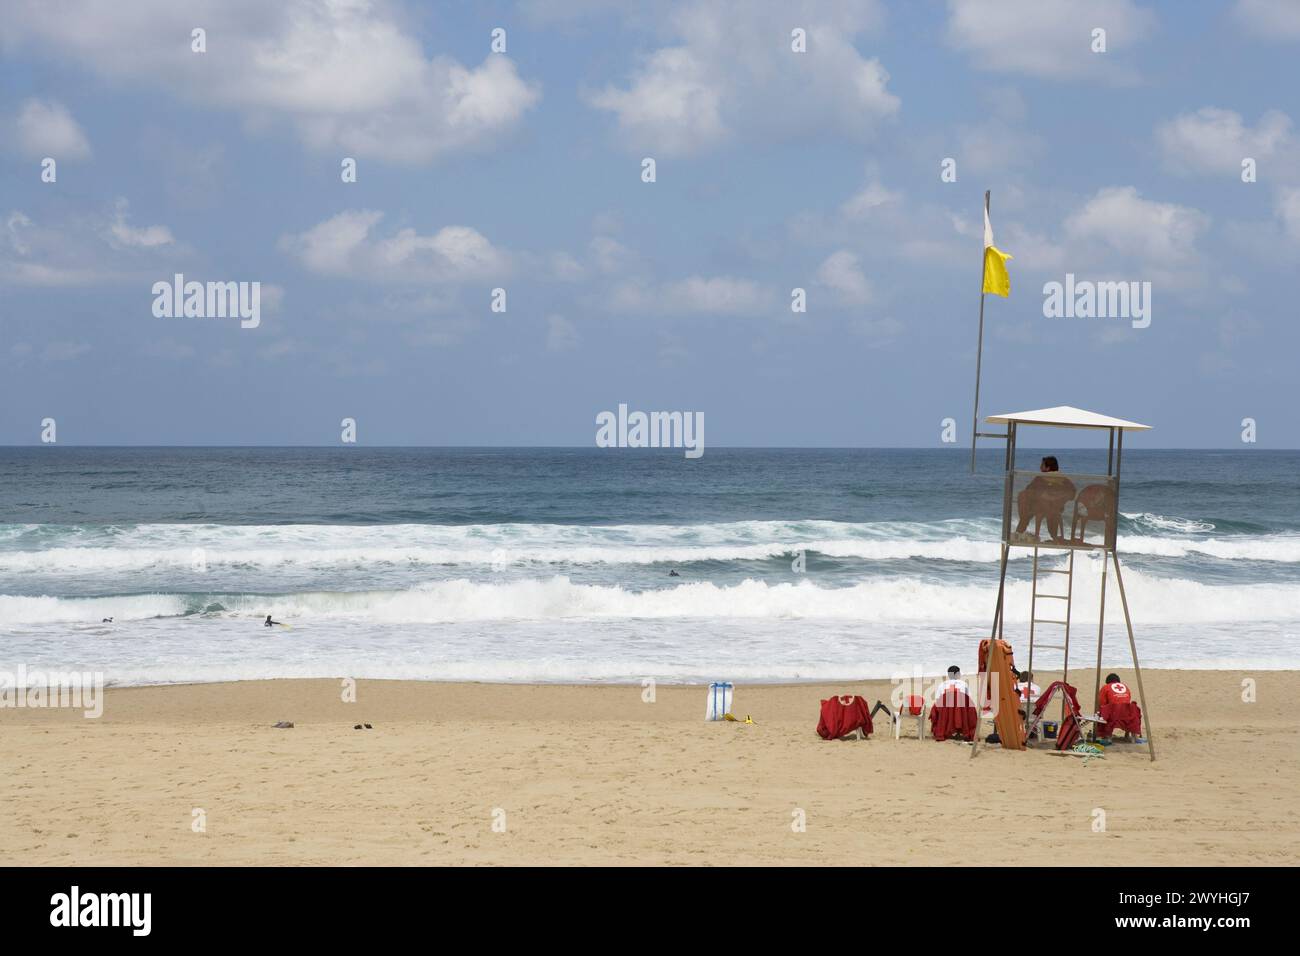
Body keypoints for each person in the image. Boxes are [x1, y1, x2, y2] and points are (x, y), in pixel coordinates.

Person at [1015, 456, 1077, 542]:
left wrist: (1045, 496)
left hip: (1040, 507)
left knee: (1026, 510)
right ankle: (1055, 537)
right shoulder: (1064, 479)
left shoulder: (1040, 478)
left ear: (1047, 468)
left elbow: (1028, 489)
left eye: (1042, 465)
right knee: (1049, 511)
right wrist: (1059, 499)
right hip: (1056, 508)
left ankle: (1019, 532)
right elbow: (1072, 493)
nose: (1040, 467)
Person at [1097, 672, 1143, 742]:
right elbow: (1127, 700)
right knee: (1129, 709)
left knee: (1105, 711)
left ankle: (1107, 736)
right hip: (1128, 713)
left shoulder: (1105, 687)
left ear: (1108, 681)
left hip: (1114, 713)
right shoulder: (1125, 686)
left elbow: (1102, 703)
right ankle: (1131, 737)